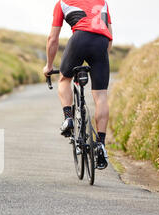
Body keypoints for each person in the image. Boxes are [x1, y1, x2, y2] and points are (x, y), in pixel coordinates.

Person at [43, 0, 113, 169]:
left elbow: (53, 39)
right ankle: (101, 145)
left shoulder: (62, 3)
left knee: (64, 79)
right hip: (102, 43)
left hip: (80, 38)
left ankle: (68, 118)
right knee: (101, 95)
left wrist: (49, 65)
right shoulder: (102, 2)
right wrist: (98, 61)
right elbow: (110, 36)